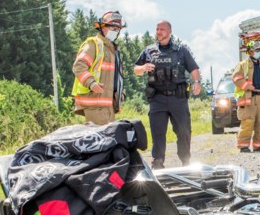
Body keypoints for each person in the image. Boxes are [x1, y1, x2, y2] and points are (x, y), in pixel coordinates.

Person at [134, 20, 202, 169]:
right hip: (157, 98)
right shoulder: (149, 50)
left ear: (169, 31)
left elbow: (194, 68)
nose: (159, 32)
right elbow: (136, 69)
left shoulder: (181, 50)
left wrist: (196, 81)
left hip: (178, 98)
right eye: (157, 29)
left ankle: (186, 161)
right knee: (158, 133)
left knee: (183, 131)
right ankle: (157, 162)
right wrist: (143, 67)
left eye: (162, 29)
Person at [71, 11, 126, 125]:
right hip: (94, 105)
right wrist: (91, 83)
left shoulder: (113, 51)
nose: (114, 31)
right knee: (102, 141)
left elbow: (116, 77)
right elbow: (79, 66)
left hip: (108, 106)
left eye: (117, 29)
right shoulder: (94, 44)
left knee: (108, 141)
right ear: (102, 27)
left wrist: (121, 93)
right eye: (112, 27)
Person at [232, 40, 260, 153]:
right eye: (256, 50)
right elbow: (236, 78)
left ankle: (258, 146)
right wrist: (247, 86)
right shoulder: (242, 65)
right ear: (250, 52)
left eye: (259, 50)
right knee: (248, 123)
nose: (258, 52)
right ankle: (243, 146)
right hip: (248, 97)